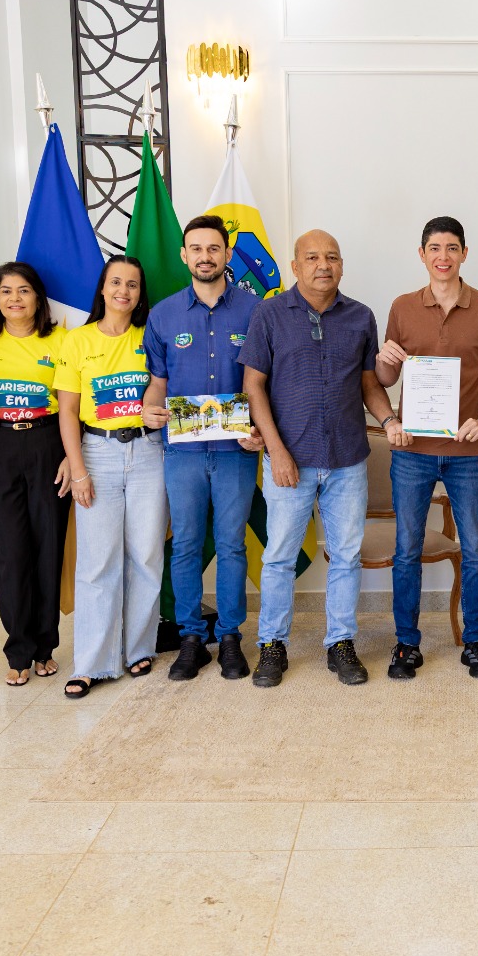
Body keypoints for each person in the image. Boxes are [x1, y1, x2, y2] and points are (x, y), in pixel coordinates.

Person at [241, 229, 408, 687]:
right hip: (288, 460)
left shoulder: (360, 316)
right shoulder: (270, 314)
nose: (323, 265)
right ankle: (272, 645)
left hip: (347, 459)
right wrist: (276, 451)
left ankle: (340, 643)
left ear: (342, 265)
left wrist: (389, 419)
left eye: (332, 257)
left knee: (346, 555)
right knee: (278, 558)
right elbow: (253, 385)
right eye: (312, 257)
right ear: (294, 267)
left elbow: (370, 383)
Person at [374, 216, 478, 679]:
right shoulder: (402, 306)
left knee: (475, 549)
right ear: (422, 254)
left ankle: (476, 642)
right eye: (434, 248)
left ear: (464, 254)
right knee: (407, 549)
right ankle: (406, 645)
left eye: (452, 248)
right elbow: (387, 379)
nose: (443, 257)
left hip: (467, 450)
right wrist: (383, 360)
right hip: (412, 448)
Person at [141, 215, 265, 682]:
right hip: (183, 452)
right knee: (187, 545)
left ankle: (231, 637)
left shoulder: (256, 311)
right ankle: (192, 637)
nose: (205, 256)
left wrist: (258, 430)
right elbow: (158, 383)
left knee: (232, 545)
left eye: (214, 248)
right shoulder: (164, 314)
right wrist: (150, 410)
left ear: (228, 254)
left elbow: (264, 384)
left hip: (236, 449)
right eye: (196, 248)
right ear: (184, 255)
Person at [54, 256, 166, 699]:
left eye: (133, 284)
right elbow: (66, 411)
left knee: (145, 556)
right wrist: (77, 468)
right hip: (96, 454)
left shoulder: (150, 336)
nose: (124, 290)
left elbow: (163, 387)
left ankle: (138, 647)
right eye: (116, 282)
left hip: (148, 453)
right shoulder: (76, 341)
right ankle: (93, 663)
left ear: (140, 294)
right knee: (97, 562)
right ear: (102, 289)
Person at [0, 262, 72, 686]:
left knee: (47, 546)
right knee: (8, 551)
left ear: (38, 298)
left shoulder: (60, 340)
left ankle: (45, 647)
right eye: (6, 291)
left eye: (23, 291)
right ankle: (19, 649)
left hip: (48, 445)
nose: (15, 299)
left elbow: (72, 398)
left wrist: (68, 454)